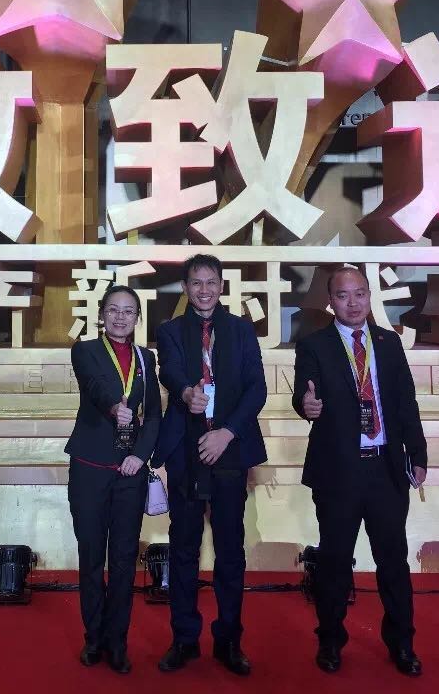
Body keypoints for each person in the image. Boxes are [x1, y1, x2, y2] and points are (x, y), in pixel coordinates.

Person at [293, 266, 428, 677]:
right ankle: (330, 641)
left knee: (393, 562)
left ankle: (402, 644)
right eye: (343, 295)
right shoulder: (314, 345)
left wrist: (418, 454)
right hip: (338, 472)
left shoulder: (388, 343)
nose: (352, 303)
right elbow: (304, 394)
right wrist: (306, 406)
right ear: (330, 301)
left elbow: (406, 401)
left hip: (385, 468)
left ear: (370, 296)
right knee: (334, 562)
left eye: (359, 294)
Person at [153, 253, 267, 676]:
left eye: (211, 282)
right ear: (186, 288)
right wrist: (186, 393)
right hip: (185, 450)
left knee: (230, 551)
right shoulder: (170, 331)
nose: (204, 290)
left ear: (221, 286)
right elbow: (170, 371)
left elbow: (257, 388)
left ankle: (229, 640)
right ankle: (184, 639)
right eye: (196, 283)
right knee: (183, 548)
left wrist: (227, 433)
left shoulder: (240, 330)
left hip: (229, 450)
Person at [66, 285, 161, 674]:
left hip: (130, 473)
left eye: (129, 311)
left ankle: (117, 642)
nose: (121, 317)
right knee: (91, 557)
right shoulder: (85, 350)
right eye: (113, 310)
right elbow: (95, 385)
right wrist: (114, 407)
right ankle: (93, 639)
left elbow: (153, 415)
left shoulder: (146, 358)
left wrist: (141, 455)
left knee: (123, 560)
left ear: (137, 318)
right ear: (102, 315)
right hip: (89, 468)